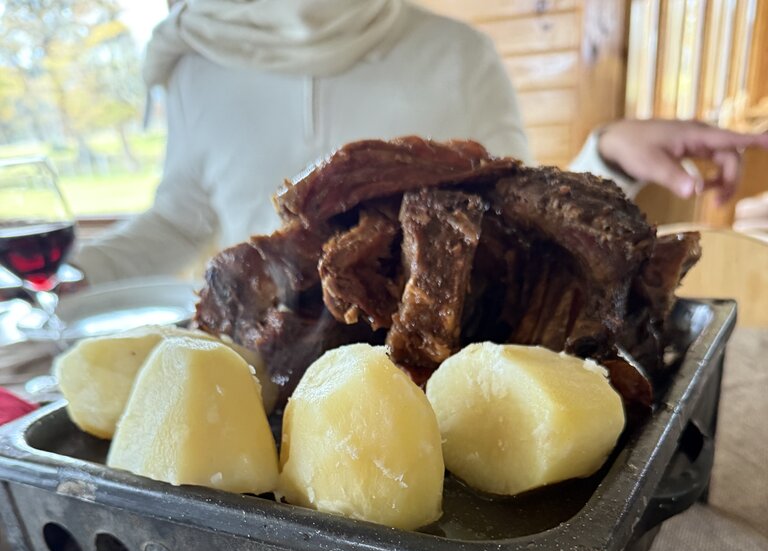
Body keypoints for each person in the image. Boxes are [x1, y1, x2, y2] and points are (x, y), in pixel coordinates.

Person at [72, 0, 768, 286]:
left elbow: (517, 215)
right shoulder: (194, 64)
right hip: (255, 360)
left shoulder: (458, 53)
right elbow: (180, 219)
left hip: (427, 364)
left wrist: (607, 151)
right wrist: (55, 282)